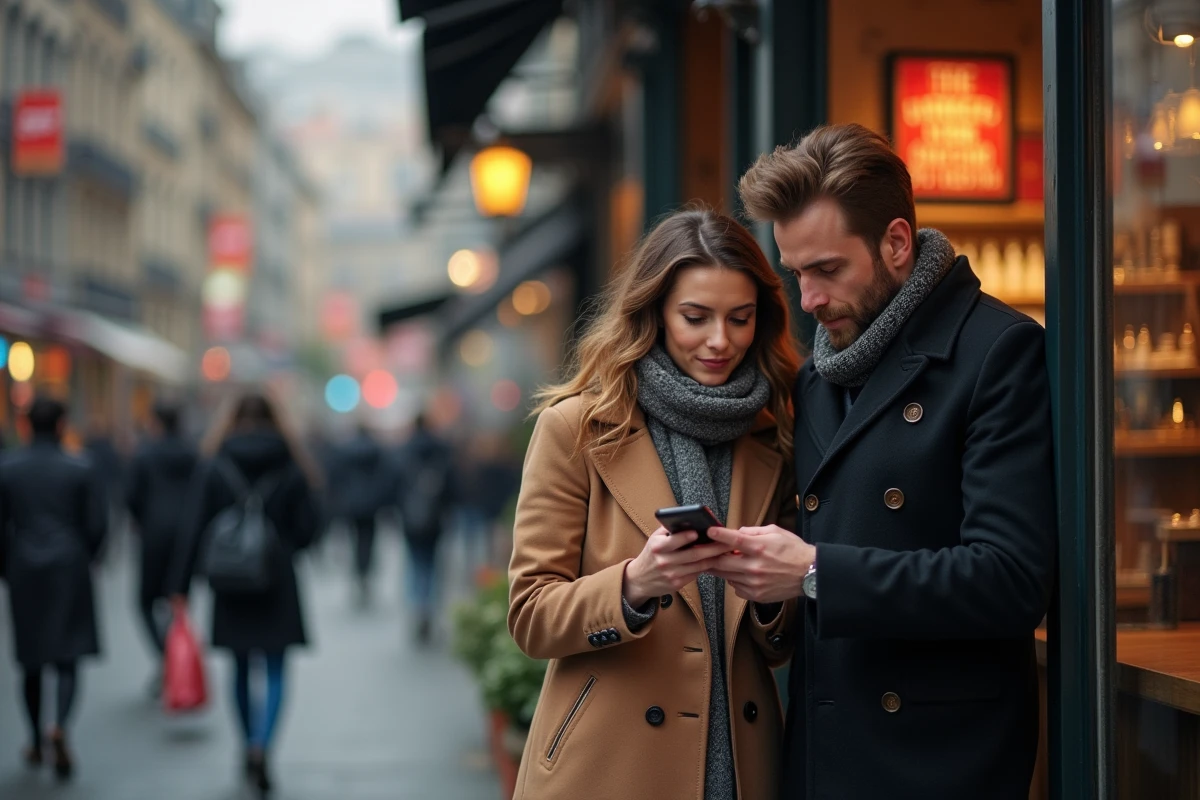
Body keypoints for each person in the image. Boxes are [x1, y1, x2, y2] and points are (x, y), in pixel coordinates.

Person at [704, 123, 1057, 798]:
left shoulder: (997, 352)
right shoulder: (816, 378)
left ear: (896, 243)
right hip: (824, 758)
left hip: (937, 763)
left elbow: (1010, 580)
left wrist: (814, 571)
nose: (807, 299)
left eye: (828, 270)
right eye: (797, 273)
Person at [507, 208, 802, 800]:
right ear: (656, 314)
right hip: (610, 766)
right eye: (696, 317)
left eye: (740, 319)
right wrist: (634, 585)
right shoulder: (578, 428)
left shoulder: (776, 433)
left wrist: (771, 593)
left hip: (742, 765)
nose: (721, 340)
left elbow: (781, 643)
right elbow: (530, 617)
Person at [168, 390, 321, 797]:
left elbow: (193, 525)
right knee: (274, 668)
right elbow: (309, 528)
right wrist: (282, 544)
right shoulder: (291, 461)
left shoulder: (216, 461)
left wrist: (179, 586)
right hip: (277, 579)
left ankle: (246, 744)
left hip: (229, 580)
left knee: (238, 666)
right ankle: (262, 745)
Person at [0, 396, 108, 780]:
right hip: (70, 564)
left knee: (30, 659)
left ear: (27, 425)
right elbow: (97, 524)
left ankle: (34, 736)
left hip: (25, 565)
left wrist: (7, 567)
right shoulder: (80, 467)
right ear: (62, 424)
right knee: (68, 654)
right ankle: (59, 725)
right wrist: (89, 557)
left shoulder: (8, 467)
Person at [125, 401, 198, 694]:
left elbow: (131, 496)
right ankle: (173, 657)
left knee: (144, 601)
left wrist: (142, 519)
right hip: (186, 536)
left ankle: (165, 657)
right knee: (177, 599)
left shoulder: (145, 454)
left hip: (154, 533)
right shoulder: (193, 453)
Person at [393, 413, 455, 644]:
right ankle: (429, 607)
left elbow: (395, 485)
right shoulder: (442, 450)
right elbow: (452, 485)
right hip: (436, 518)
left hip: (411, 519)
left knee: (415, 563)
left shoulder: (405, 450)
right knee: (432, 564)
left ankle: (418, 606)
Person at [328, 424, 391, 605]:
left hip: (351, 504)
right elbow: (386, 477)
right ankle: (365, 572)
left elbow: (336, 477)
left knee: (355, 541)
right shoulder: (377, 451)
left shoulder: (345, 451)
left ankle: (358, 572)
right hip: (371, 504)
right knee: (368, 541)